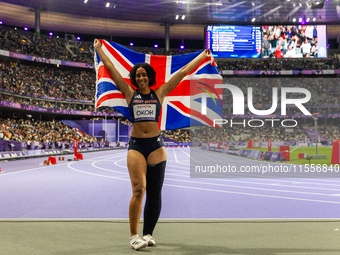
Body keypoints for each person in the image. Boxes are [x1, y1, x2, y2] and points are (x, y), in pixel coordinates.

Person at [94, 39, 211, 250]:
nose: (140, 78)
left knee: (155, 192)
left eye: (143, 75)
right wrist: (99, 49)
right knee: (139, 189)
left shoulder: (160, 93)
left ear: (149, 77)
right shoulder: (129, 93)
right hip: (137, 145)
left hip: (156, 146)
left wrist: (202, 56)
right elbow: (111, 69)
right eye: (137, 75)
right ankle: (133, 236)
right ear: (134, 78)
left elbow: (183, 72)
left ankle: (148, 233)